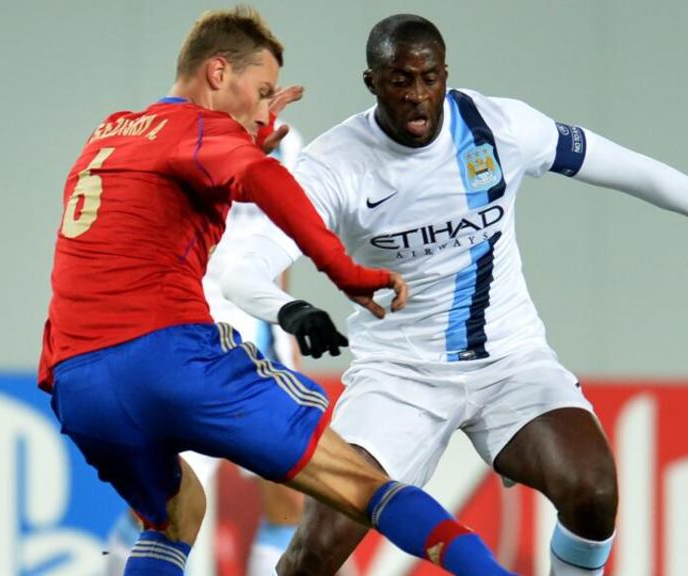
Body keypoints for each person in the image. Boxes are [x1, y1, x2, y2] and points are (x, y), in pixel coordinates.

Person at [219, 13, 688, 576]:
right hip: (399, 377)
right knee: (314, 555)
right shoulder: (334, 165)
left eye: (429, 78)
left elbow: (630, 169)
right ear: (372, 82)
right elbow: (243, 268)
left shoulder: (501, 128)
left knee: (594, 491)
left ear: (445, 76)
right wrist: (291, 309)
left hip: (510, 362)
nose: (416, 95)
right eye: (399, 80)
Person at [39, 7, 515, 576]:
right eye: (263, 92)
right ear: (218, 72)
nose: (267, 110)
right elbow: (262, 180)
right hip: (170, 356)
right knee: (360, 483)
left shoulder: (111, 132)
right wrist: (343, 271)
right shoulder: (200, 128)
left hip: (77, 380)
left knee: (176, 514)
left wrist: (242, 141)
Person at [101, 121, 312, 576]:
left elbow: (281, 242)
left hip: (259, 341)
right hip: (194, 337)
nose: (266, 98)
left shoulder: (288, 143)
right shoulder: (182, 139)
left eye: (270, 89)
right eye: (260, 88)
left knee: (289, 500)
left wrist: (284, 332)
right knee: (162, 503)